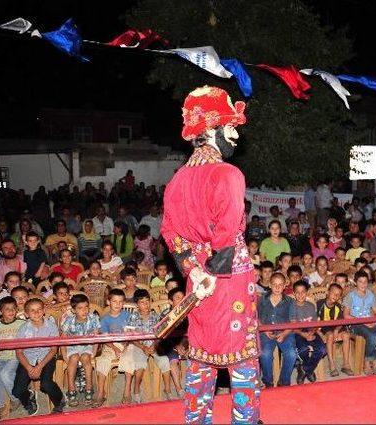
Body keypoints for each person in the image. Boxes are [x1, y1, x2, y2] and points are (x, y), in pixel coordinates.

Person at [160, 86, 260, 424]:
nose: (235, 134)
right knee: (242, 358)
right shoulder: (228, 174)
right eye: (231, 127)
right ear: (214, 129)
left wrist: (194, 271)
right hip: (228, 280)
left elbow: (170, 234)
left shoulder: (176, 180)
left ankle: (196, 420)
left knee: (201, 359)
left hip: (198, 279)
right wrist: (214, 276)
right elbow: (228, 235)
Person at [12, 298, 66, 415]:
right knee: (17, 390)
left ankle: (60, 400)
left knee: (45, 384)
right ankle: (28, 398)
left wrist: (39, 367)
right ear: (26, 314)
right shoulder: (23, 329)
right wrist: (29, 367)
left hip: (46, 358)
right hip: (28, 359)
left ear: (44, 311)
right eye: (32, 310)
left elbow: (53, 350)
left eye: (39, 310)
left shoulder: (51, 327)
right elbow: (19, 352)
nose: (36, 313)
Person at [119, 289, 171, 404]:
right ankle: (136, 390)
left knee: (165, 361)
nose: (146, 305)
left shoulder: (155, 316)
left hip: (154, 345)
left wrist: (153, 345)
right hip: (139, 345)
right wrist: (144, 348)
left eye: (148, 301)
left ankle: (167, 389)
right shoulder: (133, 317)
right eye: (142, 302)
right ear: (137, 305)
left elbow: (160, 335)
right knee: (140, 366)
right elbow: (131, 338)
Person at [343, 271, 376, 375]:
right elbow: (346, 315)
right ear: (356, 282)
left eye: (365, 282)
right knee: (372, 337)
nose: (363, 284)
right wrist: (364, 322)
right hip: (355, 324)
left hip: (370, 321)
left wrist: (373, 320)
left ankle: (375, 360)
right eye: (360, 282)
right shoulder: (351, 296)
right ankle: (366, 363)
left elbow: (375, 312)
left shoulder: (370, 294)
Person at [258, 273, 297, 388]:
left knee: (291, 354)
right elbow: (256, 317)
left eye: (280, 285)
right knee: (265, 354)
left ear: (285, 285)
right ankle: (268, 382)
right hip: (266, 332)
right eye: (274, 285)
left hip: (285, 332)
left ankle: (283, 382)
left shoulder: (290, 301)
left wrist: (284, 333)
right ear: (269, 285)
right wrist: (264, 330)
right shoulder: (262, 299)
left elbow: (293, 322)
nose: (277, 288)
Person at [61, 293, 100, 406]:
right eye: (80, 308)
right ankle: (71, 389)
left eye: (86, 307)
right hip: (72, 345)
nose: (84, 311)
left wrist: (93, 352)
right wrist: (64, 354)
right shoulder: (68, 320)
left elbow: (96, 337)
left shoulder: (93, 318)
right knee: (73, 358)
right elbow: (63, 339)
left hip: (87, 345)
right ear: (73, 310)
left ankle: (89, 387)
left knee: (85, 358)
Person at [94, 288, 129, 407]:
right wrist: (115, 348)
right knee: (103, 360)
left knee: (130, 358)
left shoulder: (128, 315)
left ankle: (127, 391)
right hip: (110, 344)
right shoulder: (105, 319)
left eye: (120, 302)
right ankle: (100, 392)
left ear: (123, 303)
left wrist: (126, 345)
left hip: (127, 343)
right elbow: (105, 338)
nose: (117, 304)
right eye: (114, 301)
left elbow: (133, 332)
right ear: (108, 302)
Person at [290, 280, 327, 384]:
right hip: (297, 332)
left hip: (311, 330)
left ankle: (305, 369)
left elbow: (315, 323)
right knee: (302, 349)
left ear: (307, 293)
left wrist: (311, 332)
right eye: (298, 292)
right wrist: (303, 334)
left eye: (303, 292)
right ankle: (309, 370)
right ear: (294, 293)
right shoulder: (291, 307)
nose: (300, 294)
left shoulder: (310, 306)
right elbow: (292, 326)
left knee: (322, 350)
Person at [316, 283, 354, 377]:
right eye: (333, 293)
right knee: (330, 335)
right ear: (328, 293)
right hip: (323, 328)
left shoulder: (338, 306)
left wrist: (337, 329)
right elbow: (314, 323)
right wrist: (320, 334)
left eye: (338, 295)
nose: (336, 296)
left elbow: (341, 321)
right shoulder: (319, 304)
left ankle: (346, 364)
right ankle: (332, 365)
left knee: (346, 335)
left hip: (335, 328)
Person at [0, 296, 25, 420]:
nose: (11, 311)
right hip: (1, 357)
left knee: (5, 374)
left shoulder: (22, 323)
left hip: (16, 356)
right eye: (7, 309)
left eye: (13, 308)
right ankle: (0, 405)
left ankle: (15, 398)